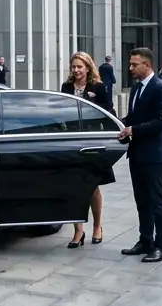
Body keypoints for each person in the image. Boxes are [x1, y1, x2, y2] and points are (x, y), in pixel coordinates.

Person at [119, 47, 162, 263]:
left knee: (156, 201)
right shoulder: (136, 89)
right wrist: (119, 125)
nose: (130, 68)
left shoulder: (160, 88)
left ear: (147, 65)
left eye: (134, 64)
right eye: (130, 64)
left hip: (154, 155)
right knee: (141, 200)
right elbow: (133, 117)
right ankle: (145, 240)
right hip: (137, 153)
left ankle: (161, 246)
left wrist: (134, 130)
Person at [62, 52, 115, 248]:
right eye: (73, 67)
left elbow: (108, 110)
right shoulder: (66, 87)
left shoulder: (98, 87)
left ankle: (97, 226)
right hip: (71, 141)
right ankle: (78, 230)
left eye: (79, 67)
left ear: (88, 67)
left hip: (92, 141)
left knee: (92, 187)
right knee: (74, 185)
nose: (76, 70)